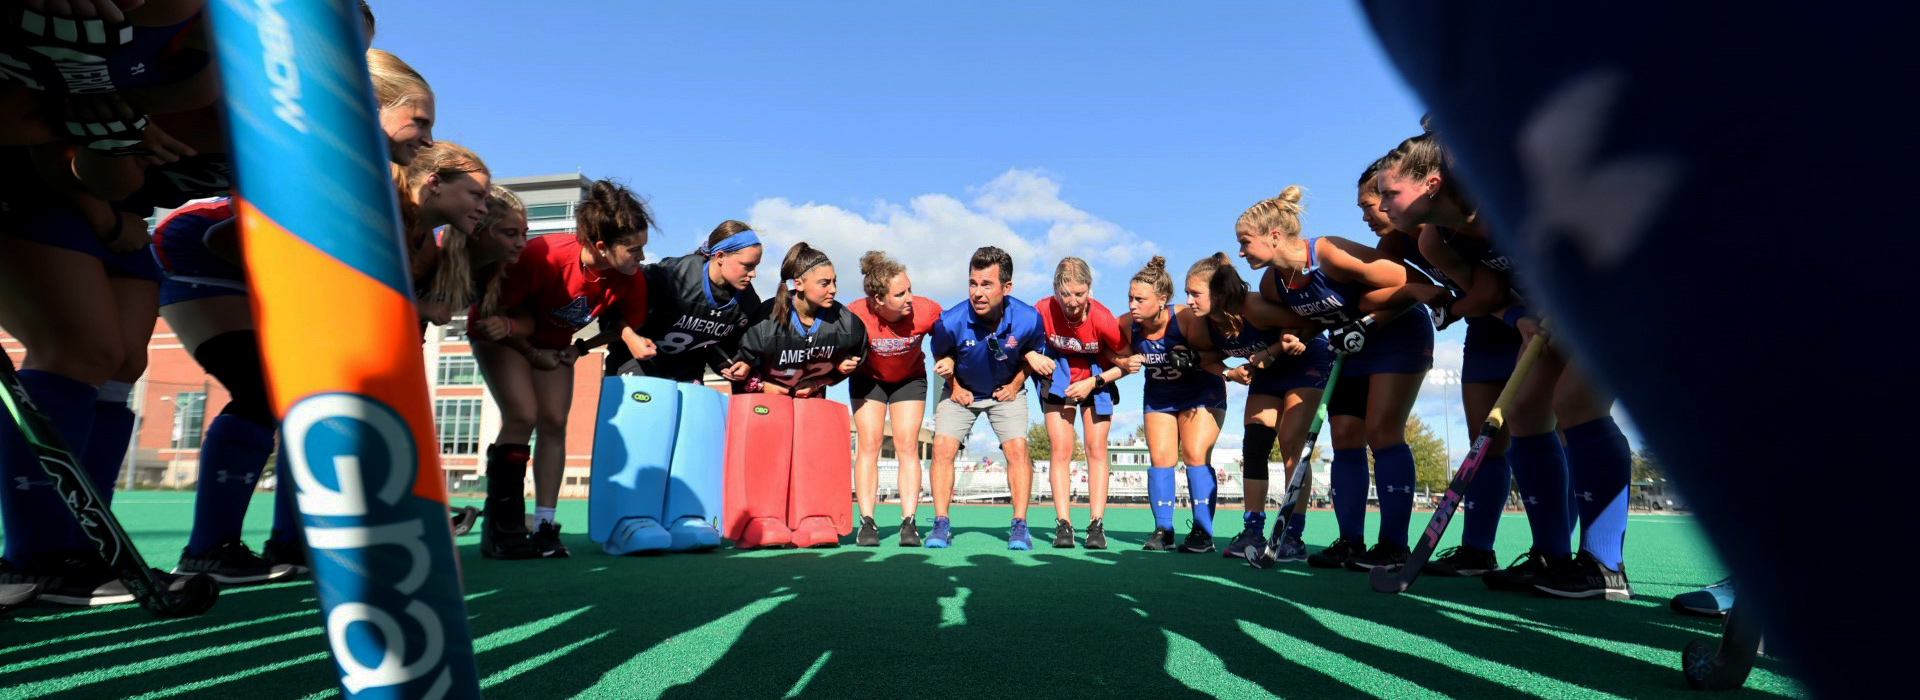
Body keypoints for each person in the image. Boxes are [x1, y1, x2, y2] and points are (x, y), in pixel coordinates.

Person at [1376, 131, 1633, 600]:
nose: (1383, 205)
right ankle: (1552, 557)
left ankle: (1605, 566)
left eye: (1390, 193)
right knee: (1526, 411)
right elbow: (1488, 294)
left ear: (1432, 183)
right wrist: (1521, 319)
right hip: (1552, 314)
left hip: (1611, 292)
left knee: (1575, 401)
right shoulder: (1436, 240)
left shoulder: (1511, 199)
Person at [1239, 185, 1450, 572]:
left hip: (1397, 334)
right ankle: (1351, 542)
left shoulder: (1329, 253)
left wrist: (1368, 316)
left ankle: (1393, 546)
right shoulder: (1274, 283)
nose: (1241, 252)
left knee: (1383, 432)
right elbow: (1305, 324)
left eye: (1245, 242)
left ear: (1273, 236)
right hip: (1351, 346)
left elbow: (1408, 282)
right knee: (1345, 438)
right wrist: (1289, 339)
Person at [1358, 156, 1526, 577]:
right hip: (1487, 329)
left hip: (1525, 318)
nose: (1368, 216)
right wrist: (1416, 294)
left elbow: (1488, 290)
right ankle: (1477, 551)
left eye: (1373, 203)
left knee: (1543, 434)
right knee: (1484, 441)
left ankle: (1562, 553)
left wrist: (1450, 308)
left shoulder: (1446, 227)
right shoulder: (1399, 242)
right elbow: (1373, 293)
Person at [473, 179, 655, 559]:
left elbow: (619, 323)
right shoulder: (544, 255)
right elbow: (493, 314)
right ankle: (501, 526)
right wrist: (529, 349)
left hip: (551, 346)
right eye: (634, 250)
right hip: (500, 331)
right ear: (602, 246)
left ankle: (543, 524)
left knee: (554, 421)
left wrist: (580, 349)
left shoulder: (630, 278)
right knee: (523, 414)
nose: (641, 258)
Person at [1183, 253, 1327, 561]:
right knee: (1255, 445)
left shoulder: (1253, 308)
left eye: (1195, 293)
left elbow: (1308, 324)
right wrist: (1229, 373)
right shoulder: (1201, 326)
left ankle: (1293, 535)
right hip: (1268, 371)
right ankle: (1252, 529)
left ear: (1219, 294)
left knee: (1291, 441)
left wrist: (1273, 350)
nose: (1190, 301)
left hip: (1306, 360)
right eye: (1187, 293)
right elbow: (1205, 358)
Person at [725, 243, 868, 547]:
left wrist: (825, 380)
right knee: (764, 462)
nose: (833, 289)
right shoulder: (765, 319)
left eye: (834, 282)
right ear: (798, 284)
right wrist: (763, 386)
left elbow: (855, 359)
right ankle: (760, 519)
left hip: (808, 408)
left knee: (812, 461)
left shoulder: (846, 323)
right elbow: (735, 364)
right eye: (824, 283)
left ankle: (812, 518)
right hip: (765, 409)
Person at [925, 246, 1045, 550]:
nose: (977, 293)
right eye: (973, 283)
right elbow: (940, 353)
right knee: (941, 447)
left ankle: (1019, 526)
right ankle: (941, 524)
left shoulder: (1029, 318)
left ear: (1006, 288)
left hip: (1006, 390)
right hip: (961, 390)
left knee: (1017, 448)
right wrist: (953, 384)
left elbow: (1033, 356)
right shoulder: (949, 321)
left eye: (986, 284)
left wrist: (1017, 384)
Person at [1117, 256, 1226, 552]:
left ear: (1162, 299)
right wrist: (1123, 361)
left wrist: (1194, 360)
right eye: (1130, 298)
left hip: (1201, 392)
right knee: (1161, 460)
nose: (1132, 305)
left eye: (1140, 299)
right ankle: (1163, 529)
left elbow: (1216, 356)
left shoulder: (1187, 319)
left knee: (1194, 454)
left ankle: (1203, 533)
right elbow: (1114, 357)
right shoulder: (1126, 326)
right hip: (1160, 396)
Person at [1029, 257, 1127, 549]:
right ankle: (1063, 525)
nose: (1072, 302)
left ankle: (1096, 525)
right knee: (1061, 449)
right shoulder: (1042, 309)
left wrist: (1093, 382)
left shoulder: (1103, 318)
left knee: (1096, 448)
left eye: (1080, 294)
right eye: (1066, 294)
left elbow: (1127, 364)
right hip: (1058, 374)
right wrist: (1031, 356)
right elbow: (1019, 343)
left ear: (1090, 290)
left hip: (1096, 376)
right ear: (1055, 289)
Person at [846, 251, 940, 546]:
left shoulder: (926, 310)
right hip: (868, 379)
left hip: (909, 379)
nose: (910, 297)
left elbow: (953, 339)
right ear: (878, 299)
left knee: (907, 445)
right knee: (869, 444)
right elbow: (831, 345)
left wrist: (948, 359)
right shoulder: (854, 314)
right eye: (900, 294)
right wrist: (839, 363)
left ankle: (909, 523)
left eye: (909, 288)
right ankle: (867, 523)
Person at [609, 220, 765, 382]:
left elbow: (728, 347)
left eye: (756, 266)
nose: (753, 274)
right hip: (637, 360)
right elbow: (614, 297)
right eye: (747, 265)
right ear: (720, 256)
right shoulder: (673, 275)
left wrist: (743, 363)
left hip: (686, 368)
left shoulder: (748, 303)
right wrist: (629, 337)